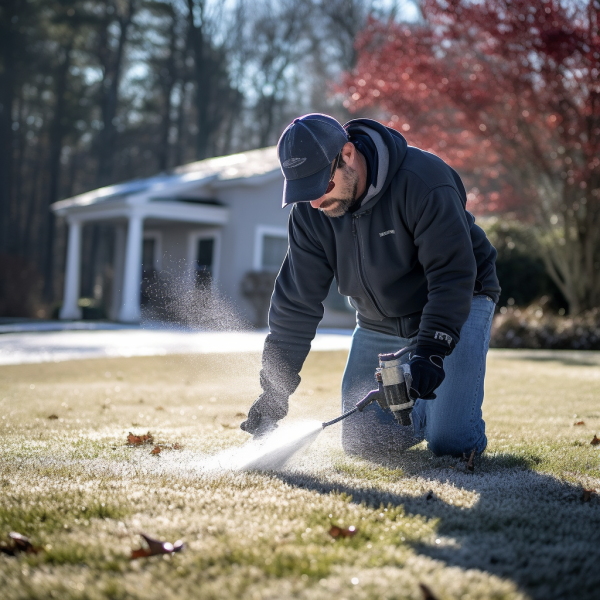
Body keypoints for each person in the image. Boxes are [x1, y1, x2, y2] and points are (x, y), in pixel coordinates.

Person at [240, 113, 500, 461]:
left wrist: (431, 350)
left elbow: (451, 275)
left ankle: (444, 419)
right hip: (379, 320)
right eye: (304, 192)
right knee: (364, 444)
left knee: (450, 443)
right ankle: (423, 412)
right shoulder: (310, 213)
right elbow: (297, 304)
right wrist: (274, 392)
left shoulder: (424, 181)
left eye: (321, 185)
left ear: (347, 155)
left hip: (458, 300)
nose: (315, 202)